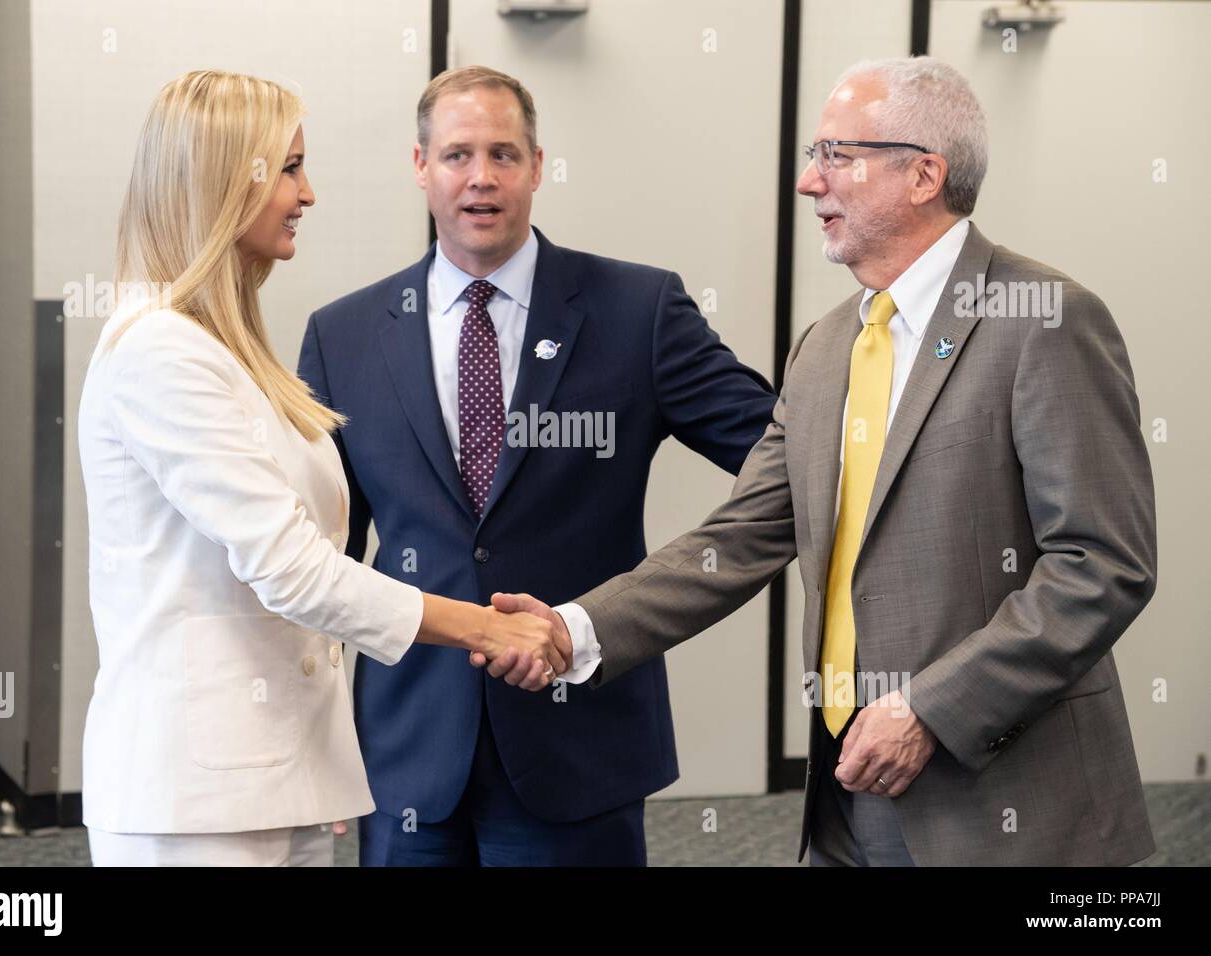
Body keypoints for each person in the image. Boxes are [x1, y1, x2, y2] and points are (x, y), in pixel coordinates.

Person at [488, 56, 1158, 867]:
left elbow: (1101, 565)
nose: (810, 183)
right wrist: (576, 628)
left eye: (836, 156)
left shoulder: (1043, 321)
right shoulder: (823, 347)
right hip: (851, 798)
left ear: (923, 175)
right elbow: (740, 537)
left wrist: (929, 710)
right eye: (815, 156)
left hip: (1008, 807)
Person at [77, 70, 562, 867]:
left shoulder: (227, 348)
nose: (309, 193)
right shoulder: (160, 350)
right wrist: (483, 624)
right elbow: (293, 570)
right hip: (196, 797)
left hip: (274, 777)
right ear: (227, 181)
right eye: (291, 168)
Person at [298, 65, 776, 866]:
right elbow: (321, 556)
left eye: (503, 154)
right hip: (407, 747)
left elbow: (778, 456)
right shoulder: (343, 336)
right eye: (456, 156)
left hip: (578, 740)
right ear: (421, 168)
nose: (480, 178)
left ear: (537, 166)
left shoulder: (638, 311)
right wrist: (313, 742)